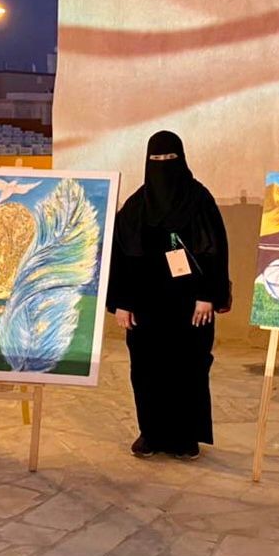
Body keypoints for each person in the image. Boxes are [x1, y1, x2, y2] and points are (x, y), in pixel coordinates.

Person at [107, 130, 231, 461]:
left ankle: (185, 437)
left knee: (189, 369)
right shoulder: (137, 206)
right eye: (156, 159)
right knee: (146, 370)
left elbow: (215, 251)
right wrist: (122, 302)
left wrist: (208, 296)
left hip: (190, 306)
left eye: (169, 159)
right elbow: (121, 257)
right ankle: (151, 433)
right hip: (146, 307)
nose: (163, 165)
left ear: (182, 159)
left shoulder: (199, 200)